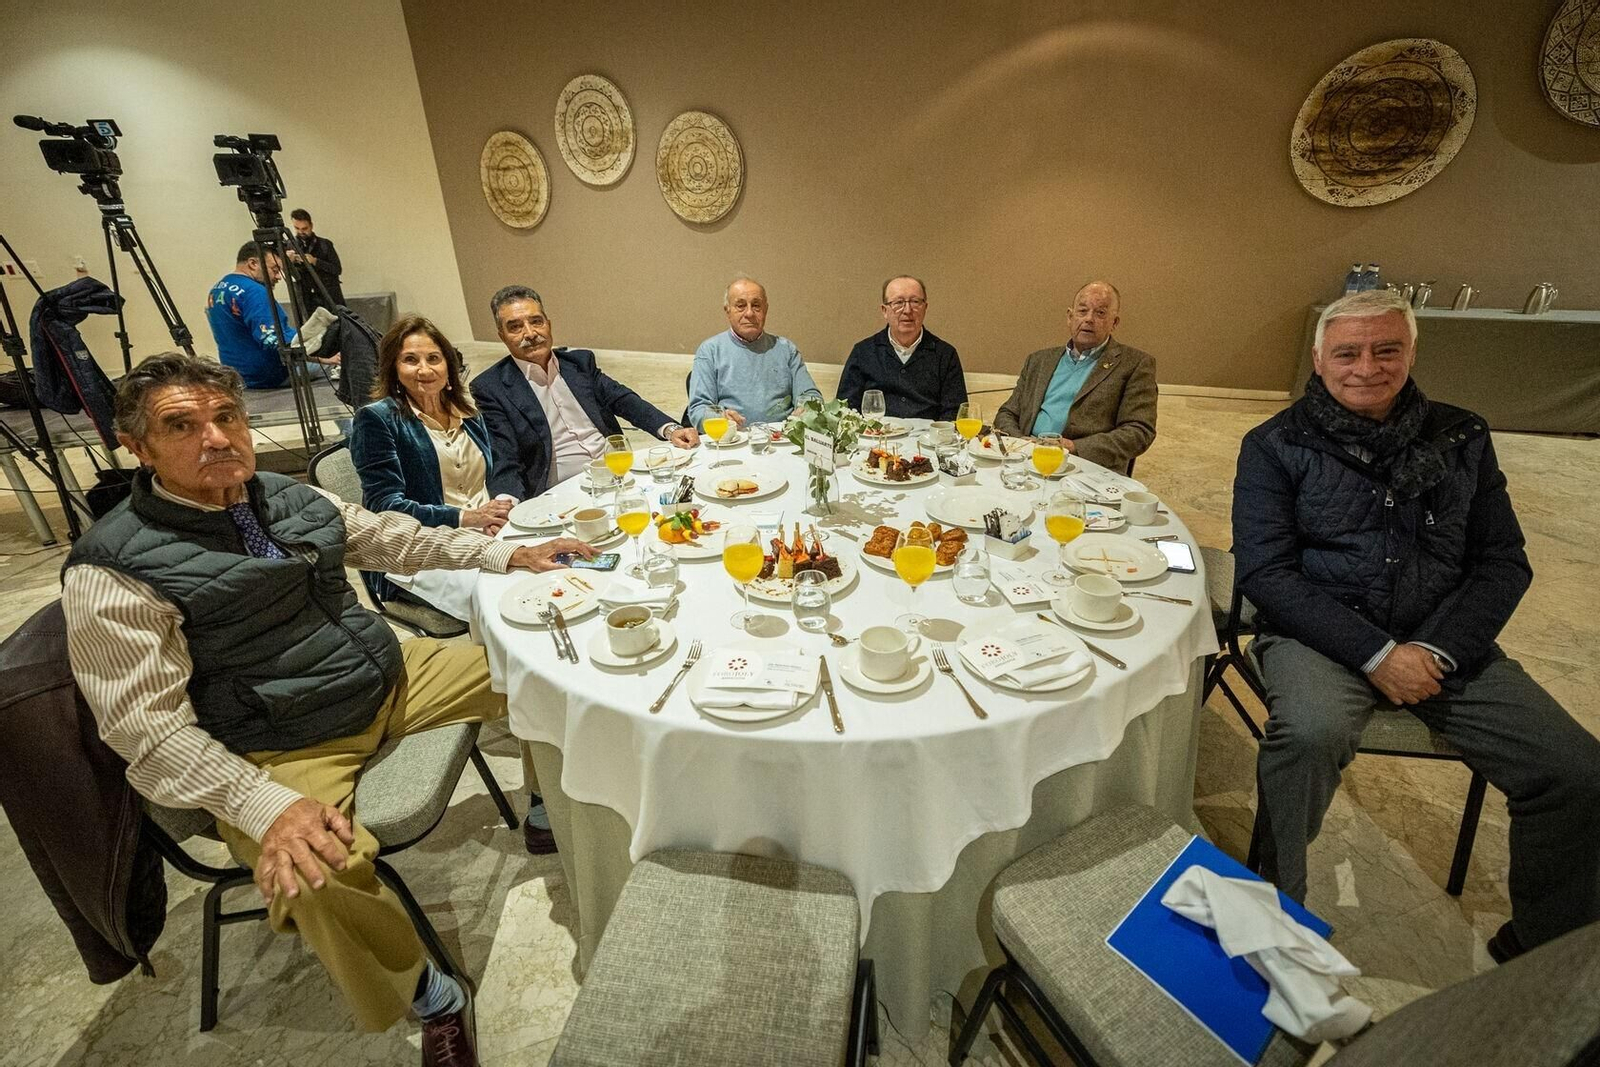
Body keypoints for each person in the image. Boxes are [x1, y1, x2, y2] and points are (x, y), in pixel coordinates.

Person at [61, 351, 593, 1063]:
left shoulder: (288, 496)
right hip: (286, 738)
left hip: (388, 674)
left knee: (558, 671)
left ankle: (539, 809)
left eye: (226, 417)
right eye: (182, 425)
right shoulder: (115, 569)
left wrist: (504, 556)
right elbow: (147, 733)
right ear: (138, 447)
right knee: (317, 870)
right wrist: (261, 806)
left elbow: (390, 539)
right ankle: (428, 991)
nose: (216, 438)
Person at [1232, 289, 1600, 962]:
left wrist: (1434, 649)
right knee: (1308, 734)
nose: (1365, 366)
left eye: (1385, 349)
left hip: (1443, 642)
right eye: (1347, 351)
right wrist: (1376, 653)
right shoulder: (1274, 444)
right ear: (1318, 359)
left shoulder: (1463, 436)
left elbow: (1502, 560)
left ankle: (1543, 947)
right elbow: (1267, 574)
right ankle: (1274, 906)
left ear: (1411, 354)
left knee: (1577, 770)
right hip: (1321, 633)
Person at [350, 315, 559, 857]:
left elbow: (496, 475)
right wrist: (464, 520)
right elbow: (383, 509)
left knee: (552, 569)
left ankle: (550, 701)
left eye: (434, 358)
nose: (424, 368)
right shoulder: (378, 420)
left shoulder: (466, 411)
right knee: (509, 602)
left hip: (483, 528)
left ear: (449, 364)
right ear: (393, 368)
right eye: (411, 359)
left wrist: (506, 505)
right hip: (415, 554)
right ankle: (541, 776)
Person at [471, 285, 698, 500]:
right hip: (561, 492)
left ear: (548, 324)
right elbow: (503, 456)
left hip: (618, 472)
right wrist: (506, 503)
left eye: (536, 322)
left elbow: (623, 399)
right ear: (501, 335)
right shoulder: (491, 387)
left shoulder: (579, 363)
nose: (530, 333)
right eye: (515, 327)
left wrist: (671, 429)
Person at [992, 280, 1156, 473]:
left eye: (1100, 313)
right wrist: (1021, 442)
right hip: (1027, 461)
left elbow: (1139, 432)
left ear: (1114, 323)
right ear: (1070, 317)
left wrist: (1072, 447)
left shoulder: (1135, 364)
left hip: (1087, 470)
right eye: (1082, 311)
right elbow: (1007, 413)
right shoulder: (1038, 361)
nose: (1089, 319)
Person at [686, 277, 822, 431]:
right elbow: (698, 410)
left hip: (781, 439)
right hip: (733, 440)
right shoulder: (710, 351)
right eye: (740, 306)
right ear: (727, 311)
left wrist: (806, 409)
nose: (749, 313)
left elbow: (810, 394)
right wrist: (719, 418)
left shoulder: (786, 349)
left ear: (766, 309)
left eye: (756, 306)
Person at [205, 242, 339, 389]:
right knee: (342, 362)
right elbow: (273, 341)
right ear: (253, 263)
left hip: (237, 375)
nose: (278, 277)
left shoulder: (217, 289)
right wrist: (325, 359)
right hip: (269, 375)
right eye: (274, 270)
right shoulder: (255, 292)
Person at [836, 275, 967, 420]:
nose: (907, 310)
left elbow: (955, 413)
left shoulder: (945, 355)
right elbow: (845, 409)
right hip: (877, 439)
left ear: (925, 308)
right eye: (898, 303)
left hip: (928, 440)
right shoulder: (863, 352)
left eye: (915, 301)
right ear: (884, 311)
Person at [288, 208, 346, 311]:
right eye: (296, 228)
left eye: (304, 228)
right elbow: (287, 274)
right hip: (306, 298)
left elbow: (337, 269)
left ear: (311, 226)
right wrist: (289, 262)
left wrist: (315, 261)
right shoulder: (289, 246)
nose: (301, 232)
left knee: (337, 324)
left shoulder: (325, 244)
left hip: (329, 296)